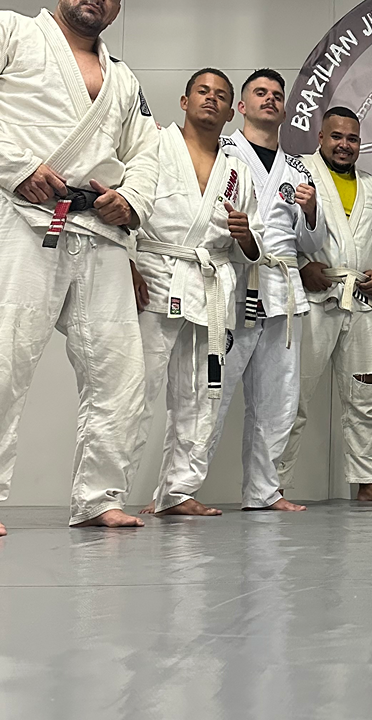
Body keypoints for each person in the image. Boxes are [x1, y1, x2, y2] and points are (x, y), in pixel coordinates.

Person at [0, 1, 159, 533]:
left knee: (120, 371)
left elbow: (147, 154)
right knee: (4, 361)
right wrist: (17, 166)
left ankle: (98, 498)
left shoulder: (124, 79)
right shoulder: (11, 32)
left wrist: (131, 199)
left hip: (98, 229)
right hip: (22, 216)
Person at [131, 69, 263, 516]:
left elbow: (253, 248)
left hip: (211, 289)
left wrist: (246, 237)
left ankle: (178, 492)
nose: (211, 98)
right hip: (156, 276)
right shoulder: (153, 146)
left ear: (230, 113)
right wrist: (128, 264)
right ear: (184, 101)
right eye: (203, 91)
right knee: (134, 389)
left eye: (221, 95)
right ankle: (103, 496)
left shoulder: (238, 170)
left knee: (201, 396)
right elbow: (126, 210)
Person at [204, 69, 326, 513]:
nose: (270, 99)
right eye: (260, 92)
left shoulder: (298, 169)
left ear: (285, 109)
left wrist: (311, 213)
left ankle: (264, 491)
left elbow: (312, 243)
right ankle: (178, 489)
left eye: (277, 94)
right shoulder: (222, 152)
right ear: (241, 106)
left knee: (278, 399)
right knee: (211, 393)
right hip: (234, 285)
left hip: (283, 291)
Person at [277, 107, 372, 502]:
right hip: (314, 299)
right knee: (294, 393)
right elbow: (275, 227)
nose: (344, 145)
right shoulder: (298, 172)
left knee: (363, 394)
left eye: (352, 139)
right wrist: (301, 266)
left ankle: (367, 481)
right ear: (321, 137)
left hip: (360, 300)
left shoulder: (371, 186)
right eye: (336, 136)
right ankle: (273, 483)